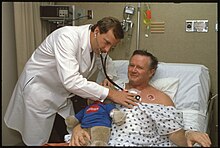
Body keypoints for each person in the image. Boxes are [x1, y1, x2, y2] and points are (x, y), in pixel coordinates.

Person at [4, 16, 138, 146]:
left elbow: (106, 62)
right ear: (96, 31)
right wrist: (111, 93)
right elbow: (71, 81)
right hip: (39, 91)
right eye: (107, 42)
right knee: (37, 141)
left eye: (112, 47)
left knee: (71, 136)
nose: (107, 50)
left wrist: (108, 77)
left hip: (61, 95)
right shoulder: (67, 37)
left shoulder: (97, 45)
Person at [69, 50, 212, 147]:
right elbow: (91, 113)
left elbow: (174, 133)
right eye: (131, 65)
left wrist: (189, 134)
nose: (133, 70)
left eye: (139, 67)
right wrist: (77, 128)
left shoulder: (161, 99)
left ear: (151, 72)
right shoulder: (112, 90)